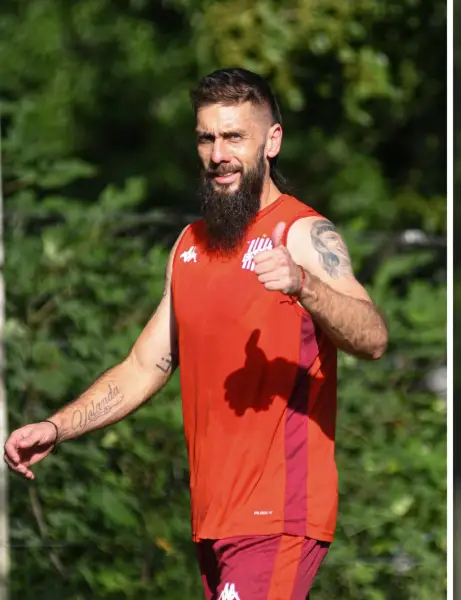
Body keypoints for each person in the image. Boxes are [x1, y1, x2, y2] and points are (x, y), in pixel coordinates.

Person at [4, 68, 389, 600]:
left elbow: (373, 337)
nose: (218, 153)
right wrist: (57, 426)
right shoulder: (190, 245)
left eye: (234, 137)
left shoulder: (301, 232)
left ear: (271, 141)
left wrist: (305, 285)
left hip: (277, 512)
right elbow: (144, 366)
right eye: (207, 137)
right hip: (214, 519)